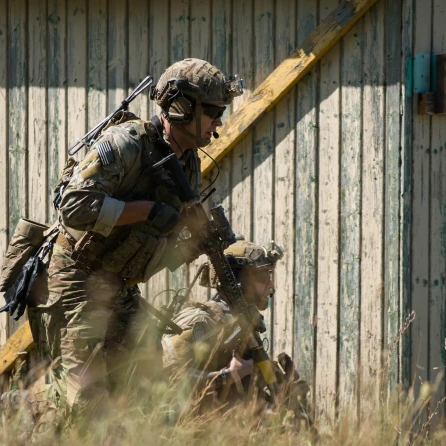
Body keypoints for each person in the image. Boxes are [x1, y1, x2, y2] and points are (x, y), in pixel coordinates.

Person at [27, 58, 244, 419]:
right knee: (82, 400)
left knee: (146, 385)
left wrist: (194, 245)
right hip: (77, 276)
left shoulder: (189, 161)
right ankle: (22, 413)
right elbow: (73, 206)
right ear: (181, 109)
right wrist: (145, 210)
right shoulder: (127, 144)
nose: (219, 122)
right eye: (213, 112)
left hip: (120, 285)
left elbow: (155, 245)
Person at [161, 240, 309, 416]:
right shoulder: (200, 320)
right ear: (239, 279)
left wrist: (283, 392)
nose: (271, 286)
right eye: (262, 277)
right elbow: (169, 377)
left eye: (270, 276)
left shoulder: (242, 322)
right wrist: (227, 375)